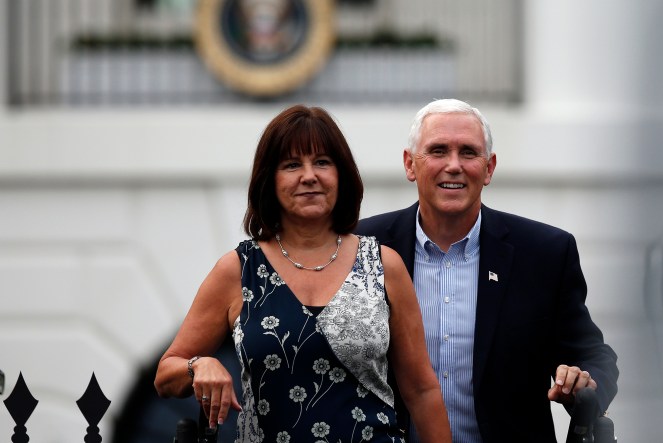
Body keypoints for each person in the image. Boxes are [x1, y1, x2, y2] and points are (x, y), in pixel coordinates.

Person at [155, 105, 451, 443]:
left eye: (322, 162)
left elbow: (422, 391)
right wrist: (198, 366)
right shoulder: (238, 269)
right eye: (292, 165)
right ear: (270, 180)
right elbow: (166, 374)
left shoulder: (384, 266)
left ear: (342, 175)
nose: (309, 175)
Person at [356, 98, 619, 442]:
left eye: (468, 152)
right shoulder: (364, 248)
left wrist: (583, 384)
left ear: (489, 167)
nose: (454, 165)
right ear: (410, 164)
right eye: (438, 151)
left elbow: (594, 356)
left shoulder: (544, 253)